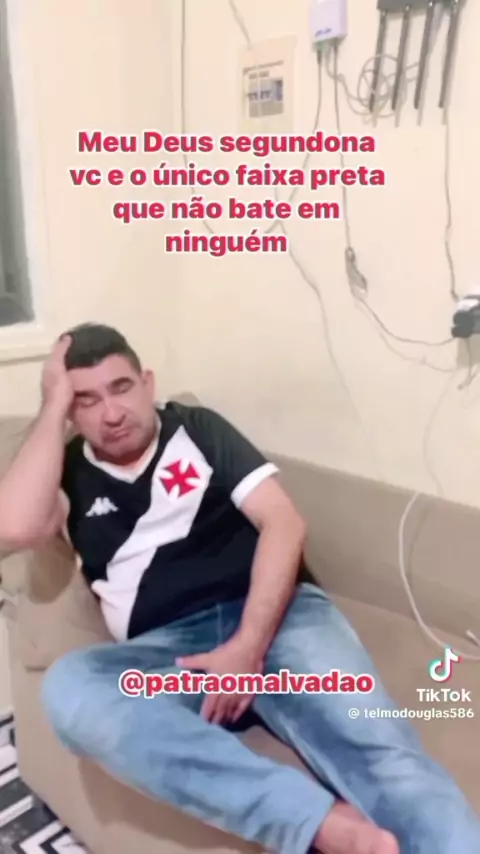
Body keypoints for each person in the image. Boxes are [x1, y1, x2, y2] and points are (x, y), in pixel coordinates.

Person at [0, 323, 478, 854]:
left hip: (280, 620)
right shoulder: (66, 471)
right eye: (86, 400)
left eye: (121, 388)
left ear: (148, 383)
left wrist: (246, 649)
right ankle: (315, 823)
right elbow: (14, 527)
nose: (111, 413)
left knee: (383, 752)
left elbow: (284, 523)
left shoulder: (198, 429)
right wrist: (52, 405)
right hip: (170, 658)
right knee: (71, 691)